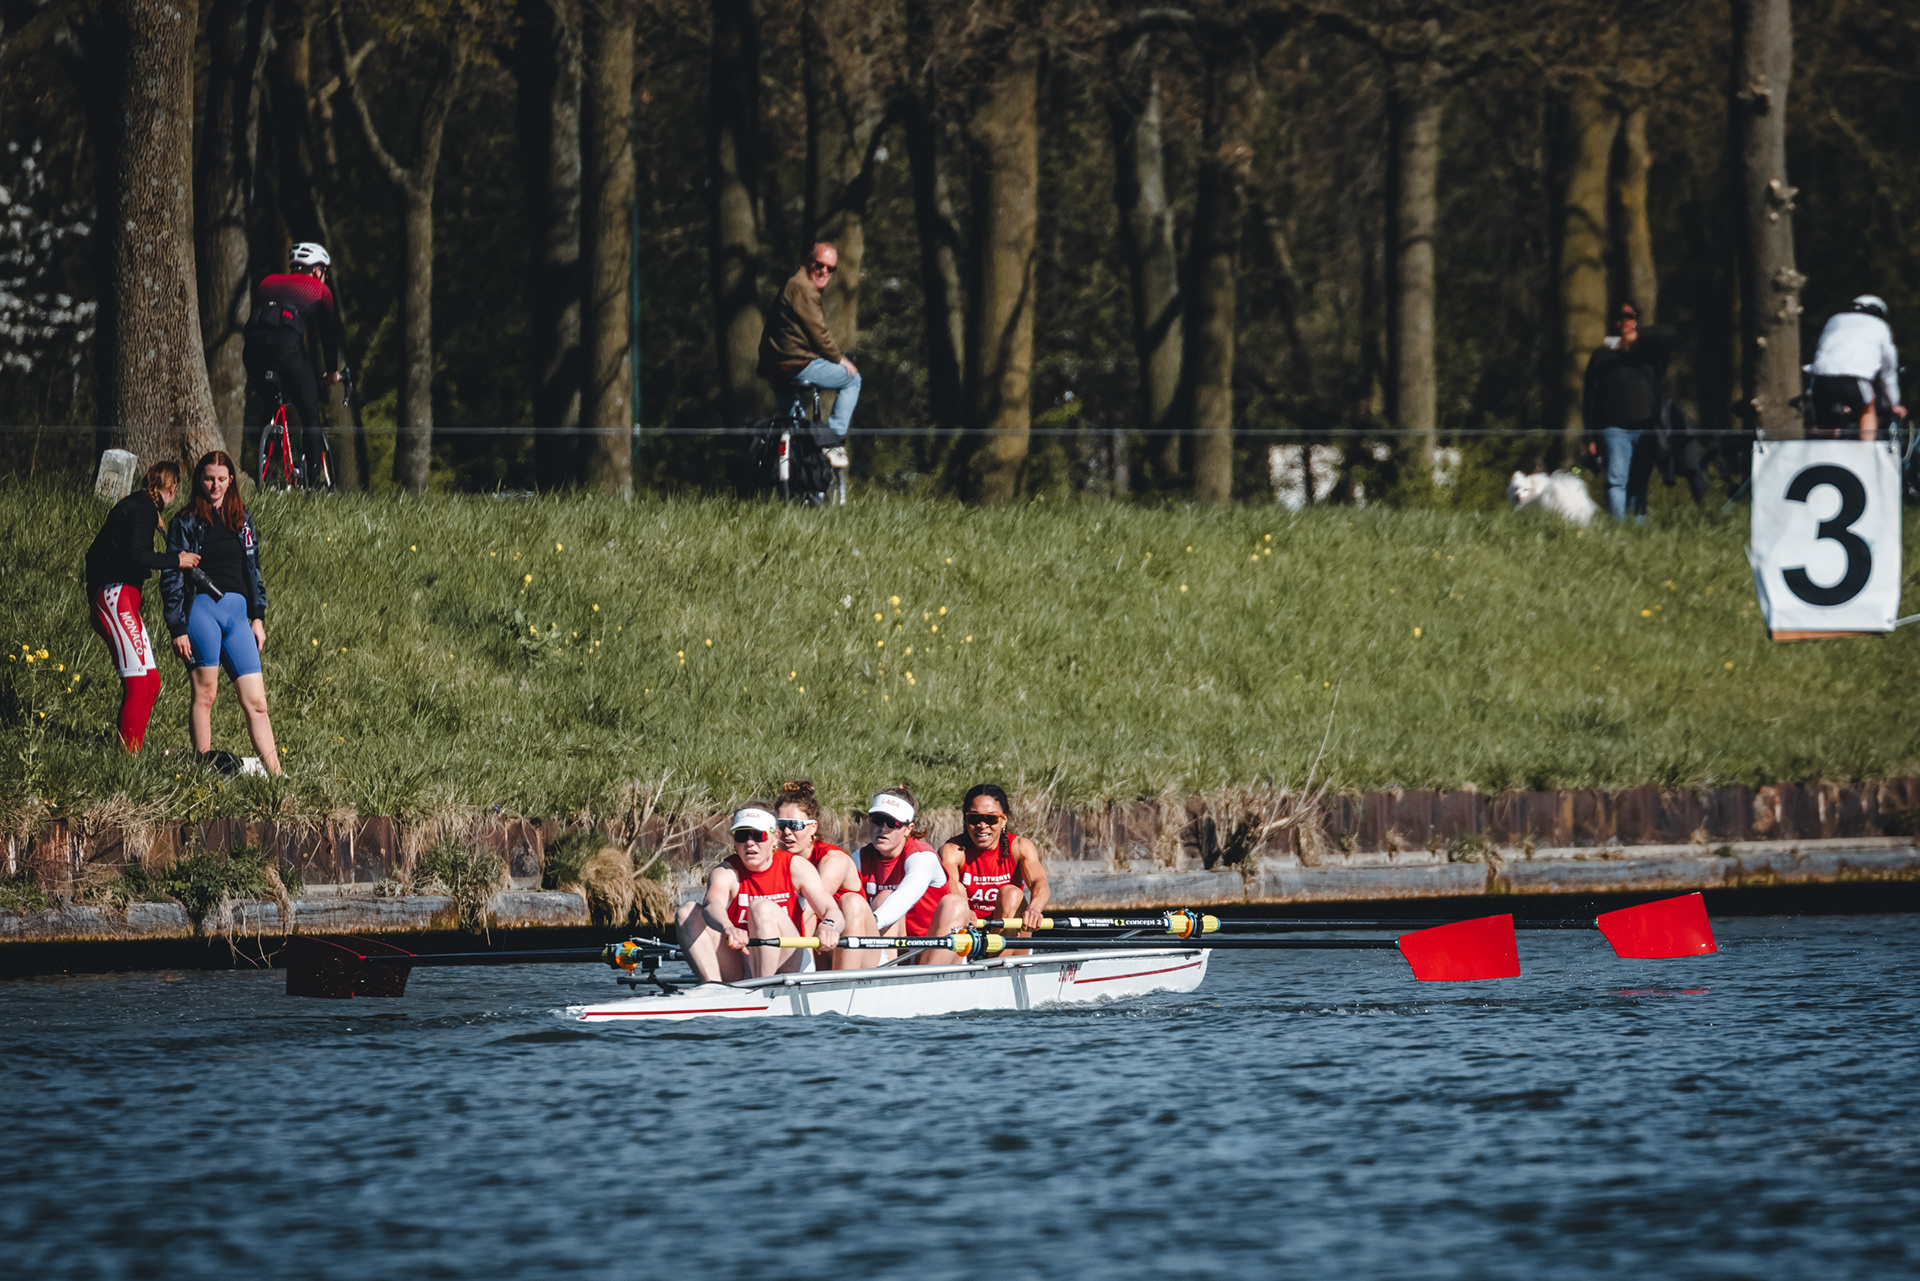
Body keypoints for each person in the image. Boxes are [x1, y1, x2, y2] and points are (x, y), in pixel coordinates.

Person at [161, 451, 282, 776]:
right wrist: (177, 627)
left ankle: (277, 776)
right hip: (202, 613)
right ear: (200, 480)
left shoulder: (242, 520)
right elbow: (172, 576)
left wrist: (258, 618)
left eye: (221, 479)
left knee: (257, 702)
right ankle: (202, 771)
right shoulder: (185, 521)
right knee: (206, 694)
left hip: (238, 617)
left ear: (231, 481)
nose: (215, 485)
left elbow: (253, 570)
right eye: (208, 478)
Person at [84, 461, 202, 751]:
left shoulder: (140, 506)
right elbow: (138, 555)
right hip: (116, 596)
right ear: (173, 488)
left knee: (151, 681)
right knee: (139, 683)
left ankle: (132, 752)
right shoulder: (144, 508)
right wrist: (177, 560)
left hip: (123, 599)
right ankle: (127, 759)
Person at [675, 806, 844, 981]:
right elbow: (712, 905)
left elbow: (832, 911)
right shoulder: (725, 872)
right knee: (687, 912)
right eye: (742, 836)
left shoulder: (796, 867)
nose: (749, 843)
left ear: (774, 838)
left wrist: (828, 926)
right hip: (742, 958)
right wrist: (728, 927)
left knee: (761, 907)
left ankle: (762, 986)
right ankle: (713, 988)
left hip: (789, 962)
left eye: (758, 836)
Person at [243, 242, 347, 477]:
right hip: (288, 349)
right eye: (324, 272)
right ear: (317, 270)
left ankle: (262, 467)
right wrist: (332, 371)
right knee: (309, 412)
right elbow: (328, 335)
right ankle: (313, 480)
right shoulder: (320, 289)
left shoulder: (268, 281)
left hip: (253, 350)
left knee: (270, 404)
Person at [756, 241, 860, 446]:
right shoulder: (804, 289)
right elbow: (818, 334)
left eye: (831, 268)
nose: (824, 272)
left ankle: (792, 458)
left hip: (774, 367)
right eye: (820, 265)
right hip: (796, 364)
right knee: (852, 380)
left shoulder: (793, 284)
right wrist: (838, 358)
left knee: (796, 432)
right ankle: (833, 441)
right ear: (807, 262)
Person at [1583, 300, 1676, 521]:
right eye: (1621, 317)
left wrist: (1639, 335)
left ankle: (1637, 530)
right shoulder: (1601, 355)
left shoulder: (1650, 353)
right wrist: (1590, 437)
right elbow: (1589, 398)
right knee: (1616, 480)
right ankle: (1619, 529)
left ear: (1636, 320)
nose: (1626, 321)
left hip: (1646, 427)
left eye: (1631, 316)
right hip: (1613, 428)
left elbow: (1671, 333)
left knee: (1639, 482)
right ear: (1613, 321)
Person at [856, 787, 972, 965]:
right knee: (883, 898)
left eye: (892, 823)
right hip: (899, 948)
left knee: (955, 904)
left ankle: (927, 978)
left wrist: (868, 925)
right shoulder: (858, 858)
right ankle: (886, 973)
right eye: (877, 820)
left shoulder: (923, 857)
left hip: (934, 948)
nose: (883, 828)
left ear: (908, 829)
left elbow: (904, 897)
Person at [775, 780, 882, 971]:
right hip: (820, 950)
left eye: (795, 825)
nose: (787, 832)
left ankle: (840, 980)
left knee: (849, 902)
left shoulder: (833, 859)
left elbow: (810, 908)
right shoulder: (775, 861)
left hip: (862, 955)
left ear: (813, 827)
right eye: (781, 825)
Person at [939, 784, 1051, 931]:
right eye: (974, 818)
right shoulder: (953, 850)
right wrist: (965, 911)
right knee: (956, 893)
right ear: (966, 820)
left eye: (991, 819)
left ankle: (999, 946)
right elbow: (949, 885)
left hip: (1009, 930)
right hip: (969, 929)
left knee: (1011, 894)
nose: (982, 825)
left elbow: (1039, 882)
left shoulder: (1019, 847)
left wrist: (1034, 909)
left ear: (1003, 820)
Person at [1807, 294, 1905, 441]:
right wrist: (1894, 403)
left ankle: (1827, 452)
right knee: (1867, 410)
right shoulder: (1880, 326)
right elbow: (1888, 371)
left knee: (1827, 423)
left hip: (1821, 376)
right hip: (1855, 377)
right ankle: (1866, 450)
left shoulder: (1834, 320)